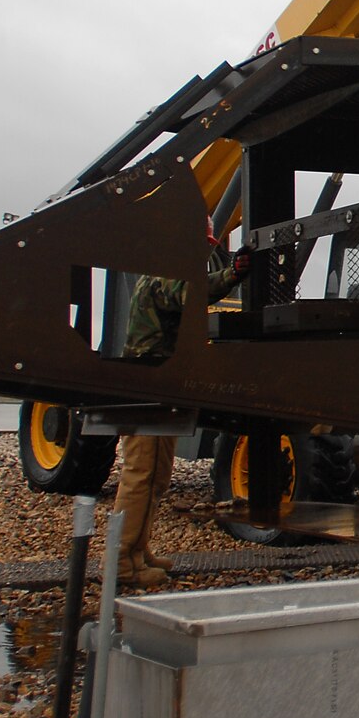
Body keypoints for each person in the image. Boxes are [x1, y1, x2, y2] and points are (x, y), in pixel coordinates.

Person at [115, 217, 249, 588]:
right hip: (146, 389)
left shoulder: (166, 273)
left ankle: (139, 551)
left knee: (156, 476)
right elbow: (192, 294)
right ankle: (124, 564)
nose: (204, 251)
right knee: (141, 475)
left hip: (160, 389)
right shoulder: (162, 276)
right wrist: (233, 275)